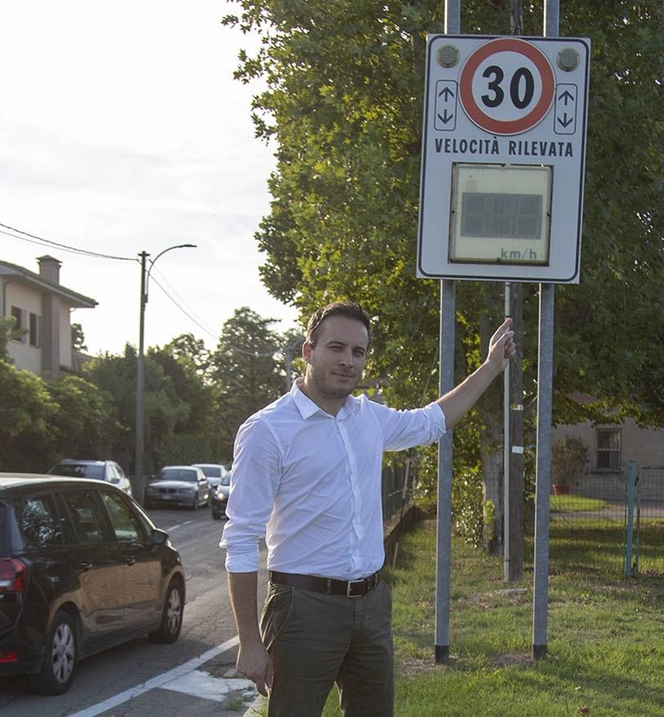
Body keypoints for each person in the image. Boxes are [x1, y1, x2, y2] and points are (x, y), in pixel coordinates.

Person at [220, 300, 515, 716]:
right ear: (308, 351)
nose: (348, 361)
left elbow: (433, 420)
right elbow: (240, 538)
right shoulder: (267, 431)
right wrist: (249, 640)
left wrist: (490, 368)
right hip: (303, 608)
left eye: (358, 352)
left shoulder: (368, 418)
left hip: (371, 603)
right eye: (336, 348)